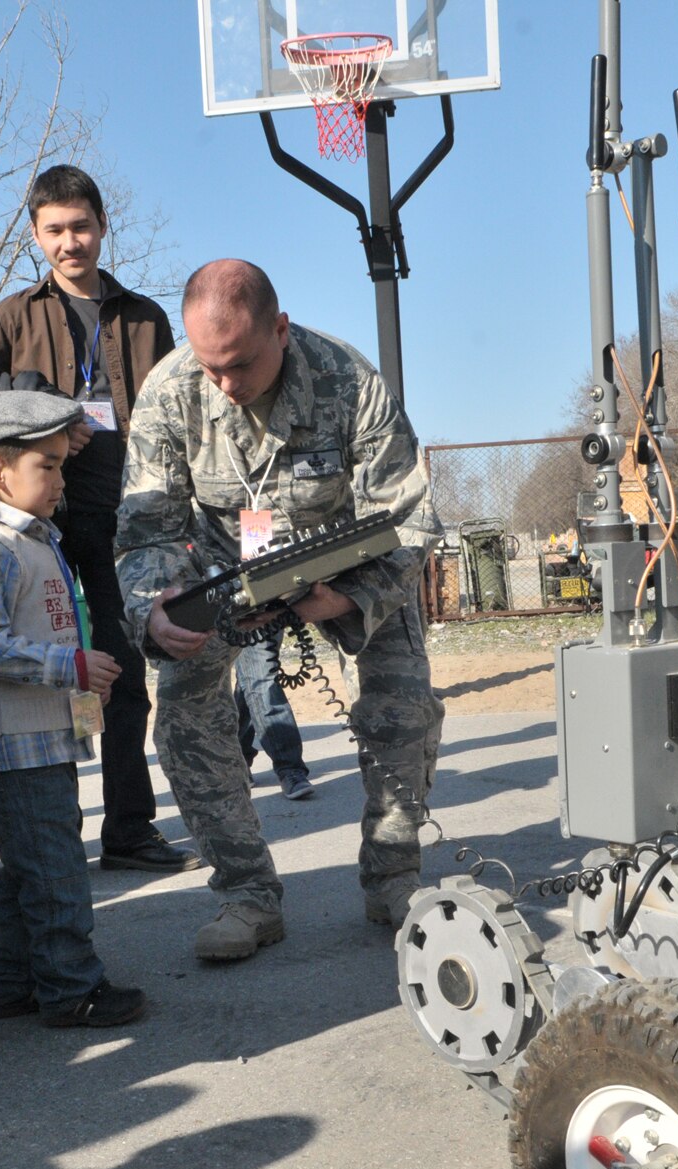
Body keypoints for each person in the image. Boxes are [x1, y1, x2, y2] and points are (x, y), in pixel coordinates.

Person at [117, 259, 444, 961]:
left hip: (346, 566)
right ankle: (247, 895)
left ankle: (394, 877)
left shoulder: (348, 380)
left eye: (239, 365)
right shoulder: (170, 392)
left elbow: (412, 519)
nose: (225, 386)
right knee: (184, 715)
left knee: (405, 704)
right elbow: (145, 528)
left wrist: (351, 597)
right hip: (222, 569)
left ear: (281, 330)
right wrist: (155, 607)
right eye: (210, 368)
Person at [0, 165, 199, 876]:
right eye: (55, 230)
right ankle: (56, 830)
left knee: (123, 678)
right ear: (35, 235)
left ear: (103, 224)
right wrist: (45, 427)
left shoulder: (145, 317)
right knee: (60, 678)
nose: (71, 243)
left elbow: (177, 418)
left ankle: (128, 829)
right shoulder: (9, 318)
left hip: (126, 524)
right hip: (43, 530)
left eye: (82, 226)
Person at [0, 389, 145, 1026]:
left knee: (27, 869)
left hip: (43, 740)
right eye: (48, 466)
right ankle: (71, 989)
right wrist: (74, 668)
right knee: (57, 873)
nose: (62, 479)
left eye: (63, 463)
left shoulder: (38, 541)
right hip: (9, 746)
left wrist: (85, 697)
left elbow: (62, 631)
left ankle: (13, 983)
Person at [236, 639, 314, 800]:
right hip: (219, 618)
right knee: (257, 678)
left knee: (257, 676)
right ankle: (288, 767)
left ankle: (238, 760)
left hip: (259, 616)